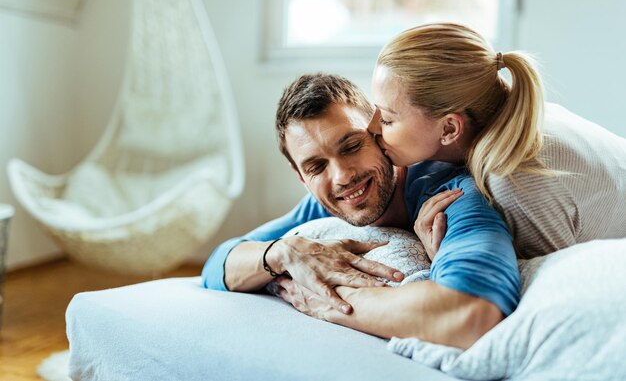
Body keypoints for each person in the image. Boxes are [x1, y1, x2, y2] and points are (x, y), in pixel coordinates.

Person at [203, 73, 520, 349]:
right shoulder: (320, 206)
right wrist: (284, 252)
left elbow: (473, 313)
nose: (342, 177)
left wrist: (331, 301)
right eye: (316, 166)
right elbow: (218, 262)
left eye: (352, 146)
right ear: (301, 177)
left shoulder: (448, 195)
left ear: (378, 130)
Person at [368, 22, 626, 259]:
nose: (371, 127)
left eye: (388, 120)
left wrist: (442, 257)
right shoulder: (520, 114)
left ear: (449, 128)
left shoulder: (513, 177)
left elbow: (548, 294)